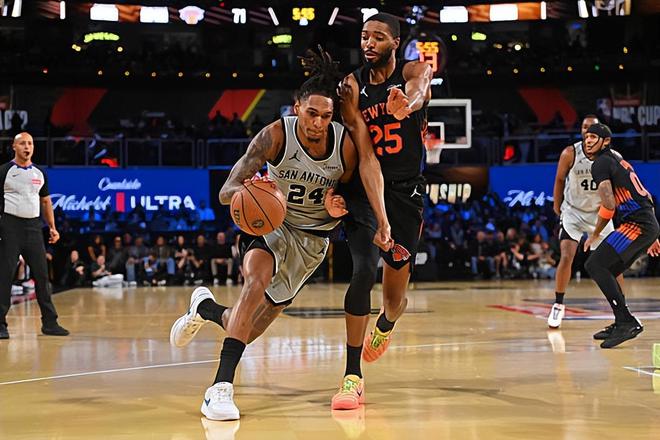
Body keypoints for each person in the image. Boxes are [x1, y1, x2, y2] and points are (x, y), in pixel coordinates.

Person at [169, 47, 390, 421]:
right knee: (255, 284)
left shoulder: (345, 146)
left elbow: (354, 193)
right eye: (311, 113)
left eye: (326, 116)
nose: (318, 122)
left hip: (312, 240)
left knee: (250, 327)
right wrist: (252, 190)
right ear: (296, 107)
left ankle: (205, 308)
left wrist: (340, 203)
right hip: (271, 226)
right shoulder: (274, 136)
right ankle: (219, 388)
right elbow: (226, 190)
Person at [332, 12, 432, 410]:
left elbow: (420, 88)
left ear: (395, 42)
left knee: (393, 299)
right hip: (365, 187)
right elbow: (367, 156)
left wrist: (408, 104)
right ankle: (352, 376)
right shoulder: (352, 86)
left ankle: (387, 323)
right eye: (364, 36)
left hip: (406, 194)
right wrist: (380, 216)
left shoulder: (413, 70)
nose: (368, 43)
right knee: (361, 271)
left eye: (377, 37)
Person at [582, 123, 660, 348]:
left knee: (595, 265)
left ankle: (627, 322)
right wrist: (653, 233)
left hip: (638, 224)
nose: (588, 141)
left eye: (593, 137)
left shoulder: (600, 163)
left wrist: (595, 234)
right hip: (645, 223)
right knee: (610, 269)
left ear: (605, 141)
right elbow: (646, 195)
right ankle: (621, 320)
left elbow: (609, 205)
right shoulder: (616, 158)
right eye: (586, 137)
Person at [548, 115, 620, 328]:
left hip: (600, 213)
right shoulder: (570, 153)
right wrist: (557, 205)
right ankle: (558, 304)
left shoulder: (612, 157)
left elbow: (620, 186)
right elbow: (559, 179)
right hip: (574, 211)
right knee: (567, 255)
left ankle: (621, 310)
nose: (587, 132)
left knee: (614, 262)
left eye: (592, 129)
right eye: (584, 128)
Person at [0, 132, 69, 339]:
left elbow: (46, 201)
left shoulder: (40, 173)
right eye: (22, 143)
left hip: (34, 228)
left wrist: (52, 227)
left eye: (30, 143)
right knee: (5, 275)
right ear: (14, 146)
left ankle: (50, 323)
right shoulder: (4, 171)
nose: (27, 147)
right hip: (10, 227)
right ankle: (0, 324)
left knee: (42, 276)